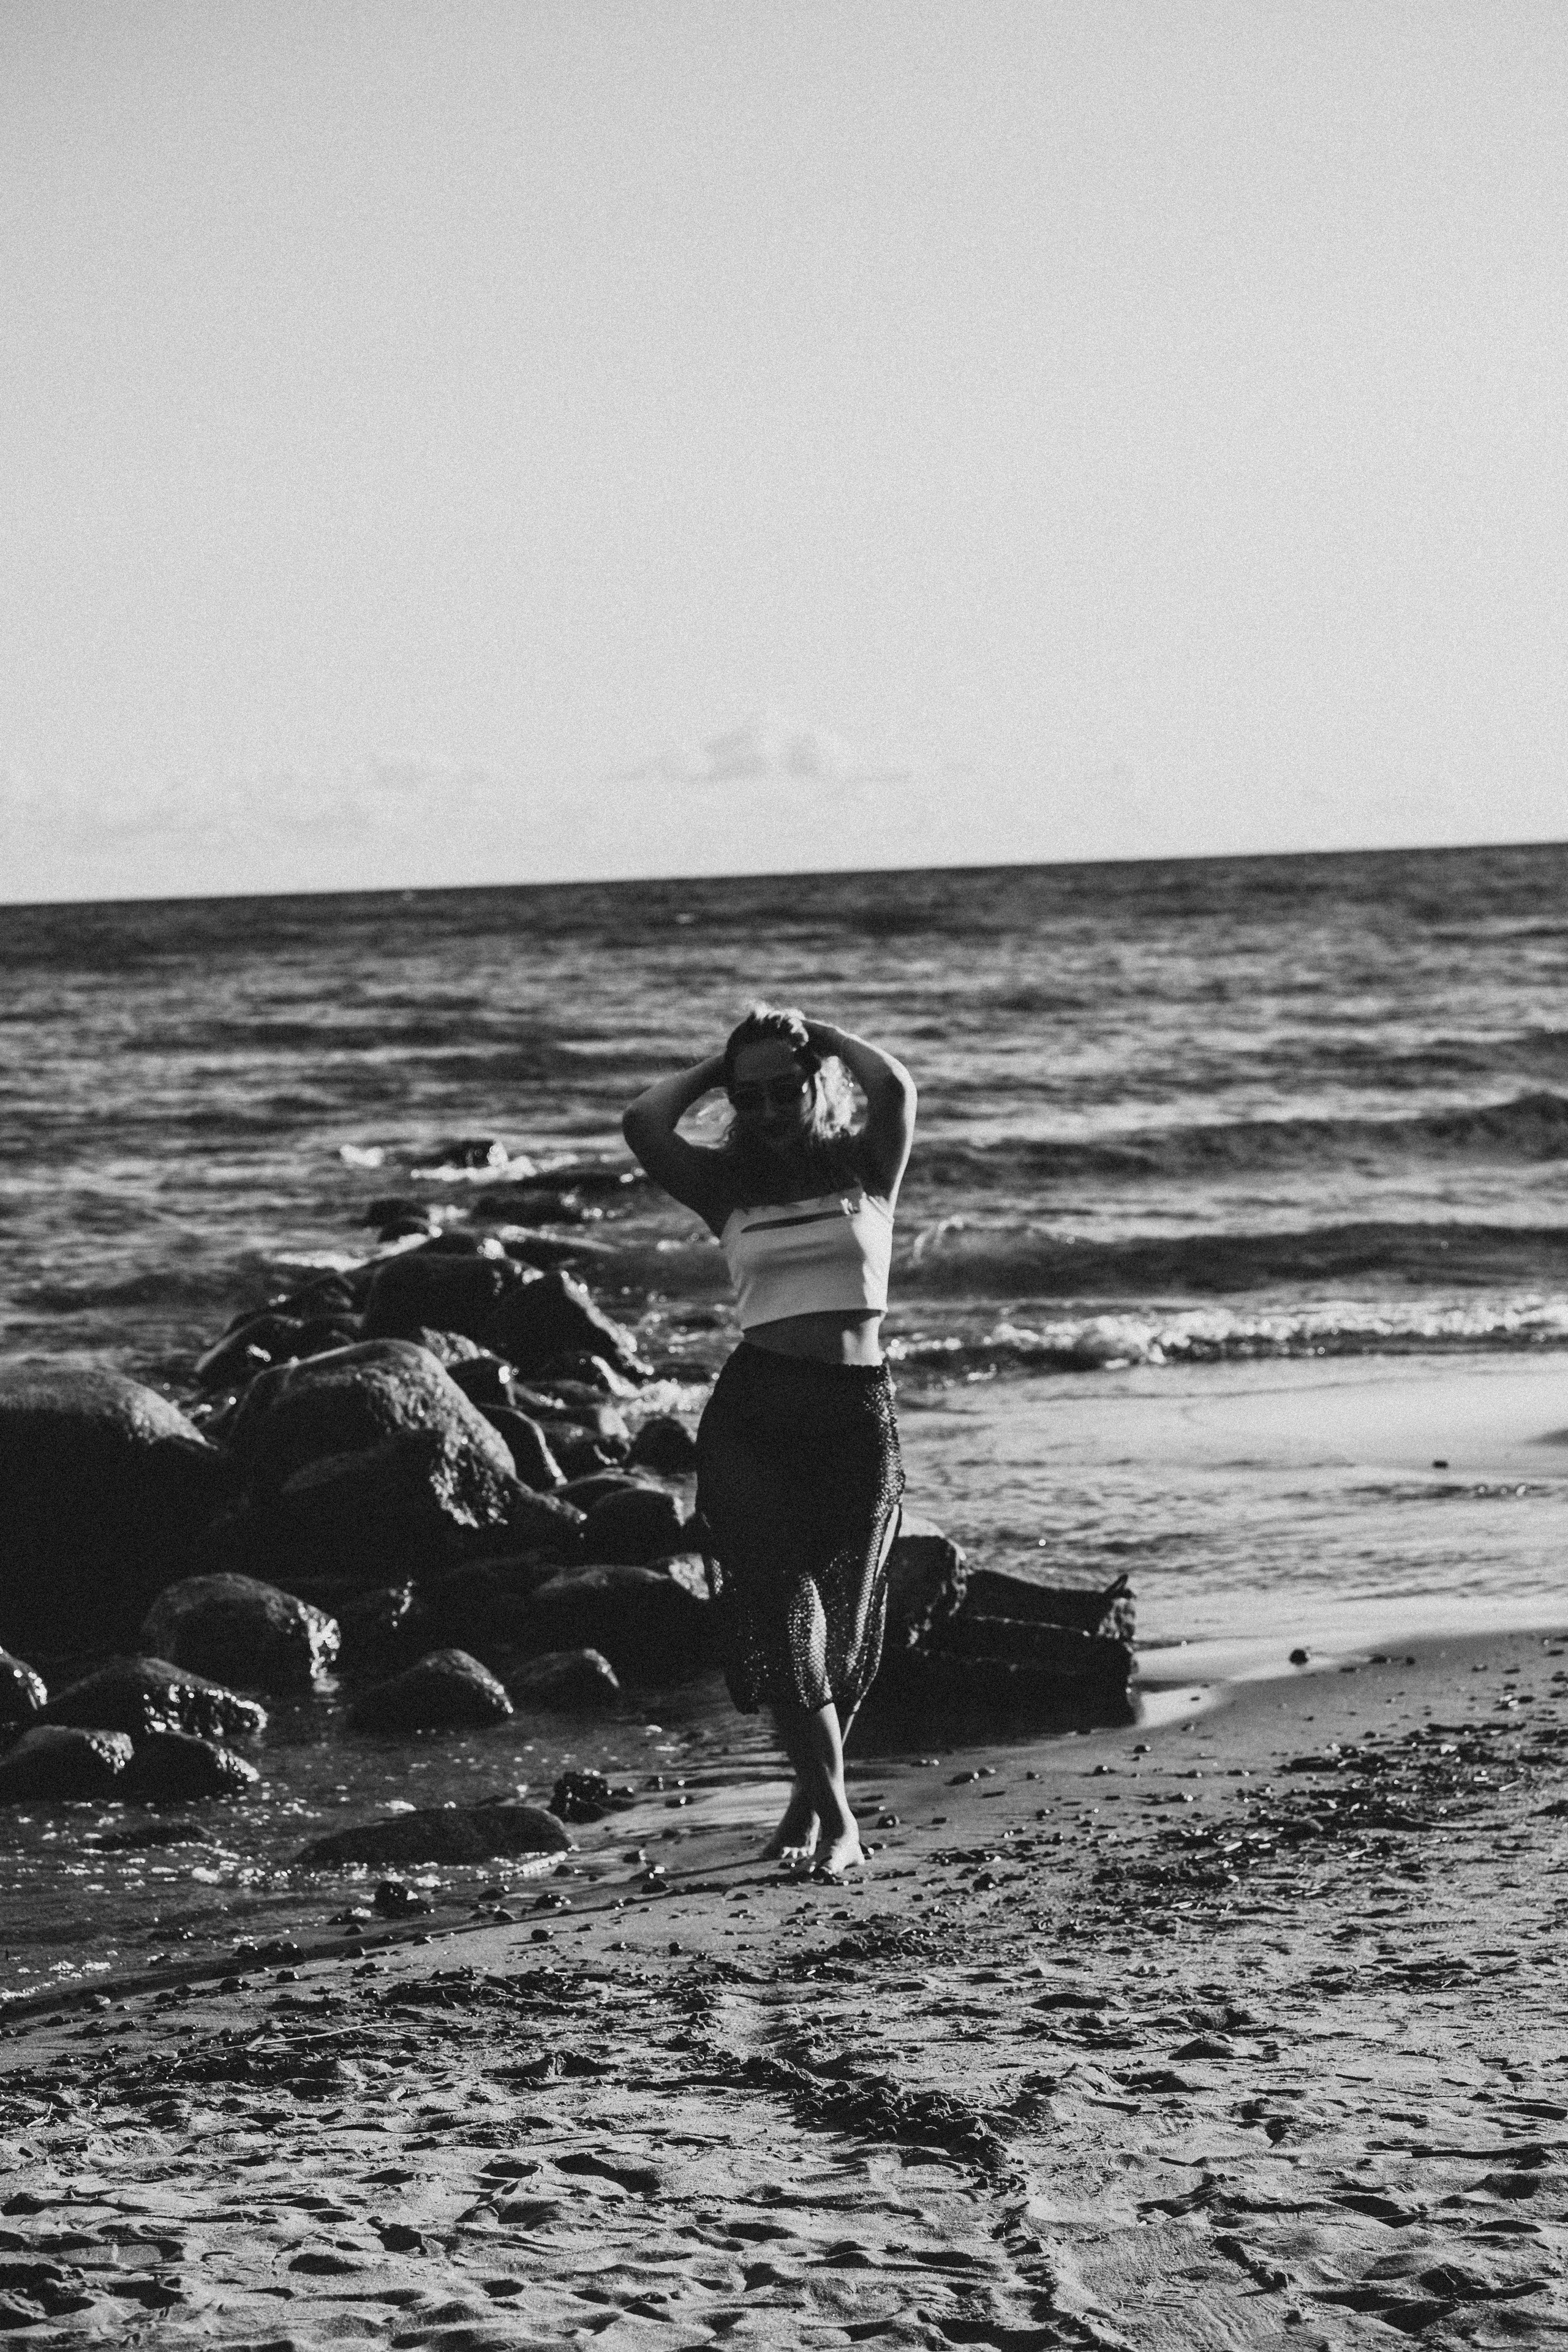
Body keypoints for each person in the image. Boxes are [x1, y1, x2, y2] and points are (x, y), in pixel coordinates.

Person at [622, 1005, 916, 1876]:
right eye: (750, 1099)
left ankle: (806, 1800)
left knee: (846, 1629)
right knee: (783, 1621)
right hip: (756, 1416)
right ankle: (839, 1823)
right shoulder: (726, 1187)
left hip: (857, 1413)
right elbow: (643, 1122)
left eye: (784, 1089)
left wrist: (815, 1034)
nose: (770, 1109)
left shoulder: (868, 1168)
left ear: (813, 1081)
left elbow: (894, 1085)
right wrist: (724, 1068)